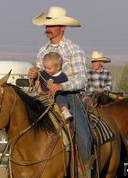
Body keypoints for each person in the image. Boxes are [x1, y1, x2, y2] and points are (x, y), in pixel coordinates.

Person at [28, 6, 92, 176]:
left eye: (52, 25)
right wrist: (34, 77)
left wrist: (62, 86)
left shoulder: (74, 50)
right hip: (45, 99)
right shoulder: (42, 51)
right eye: (46, 26)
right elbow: (39, 82)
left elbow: (82, 79)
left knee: (84, 136)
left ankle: (86, 169)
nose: (47, 29)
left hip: (70, 99)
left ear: (63, 27)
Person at [36, 52, 73, 120]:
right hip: (44, 96)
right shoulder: (43, 74)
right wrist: (38, 88)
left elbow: (62, 90)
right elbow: (39, 84)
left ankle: (64, 110)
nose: (47, 70)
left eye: (49, 68)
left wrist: (55, 91)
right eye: (45, 68)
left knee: (60, 98)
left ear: (58, 67)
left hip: (55, 96)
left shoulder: (62, 77)